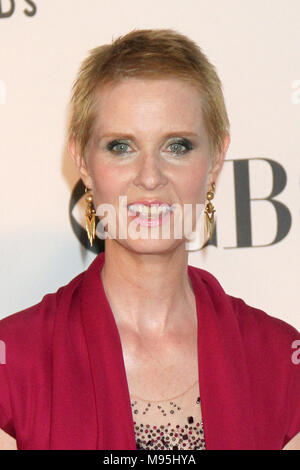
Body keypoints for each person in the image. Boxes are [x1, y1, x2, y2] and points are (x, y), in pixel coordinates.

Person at [0, 28, 300, 451]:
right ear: (83, 162)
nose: (150, 176)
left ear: (215, 159)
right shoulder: (13, 365)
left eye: (177, 146)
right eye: (121, 146)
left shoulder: (281, 364)